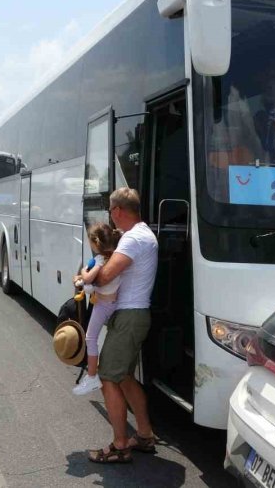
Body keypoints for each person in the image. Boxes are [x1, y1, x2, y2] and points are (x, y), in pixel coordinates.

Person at [83, 187, 158, 464]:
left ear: (116, 211)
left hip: (129, 316)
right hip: (133, 315)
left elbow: (104, 277)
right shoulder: (141, 234)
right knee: (124, 376)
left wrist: (84, 275)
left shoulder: (133, 239)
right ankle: (145, 435)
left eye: (110, 210)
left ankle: (120, 445)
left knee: (108, 377)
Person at [72, 223, 122, 396]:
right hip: (111, 302)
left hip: (103, 305)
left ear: (95, 242)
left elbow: (88, 278)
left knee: (90, 338)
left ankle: (92, 376)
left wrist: (83, 271)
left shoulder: (101, 260)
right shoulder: (115, 256)